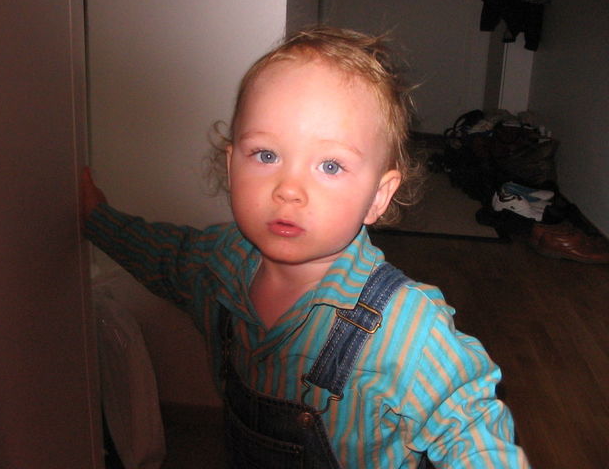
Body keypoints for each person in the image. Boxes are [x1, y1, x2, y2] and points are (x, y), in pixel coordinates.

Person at [83, 27, 530, 468]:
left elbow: (471, 428)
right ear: (231, 165)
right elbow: (165, 255)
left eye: (330, 165)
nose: (289, 189)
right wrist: (95, 217)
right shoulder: (219, 262)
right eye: (266, 155)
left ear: (378, 196)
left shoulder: (405, 326)